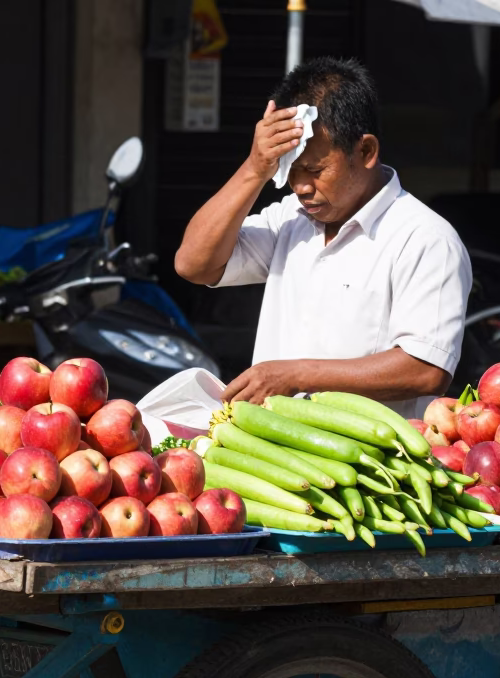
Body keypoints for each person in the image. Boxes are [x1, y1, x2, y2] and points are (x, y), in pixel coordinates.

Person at [175, 57, 471, 417]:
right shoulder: (289, 218)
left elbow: (426, 370)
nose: (300, 186)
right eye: (289, 170)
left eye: (315, 170)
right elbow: (194, 264)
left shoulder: (425, 238)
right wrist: (255, 167)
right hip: (272, 454)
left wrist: (298, 375)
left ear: (365, 151)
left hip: (365, 467)